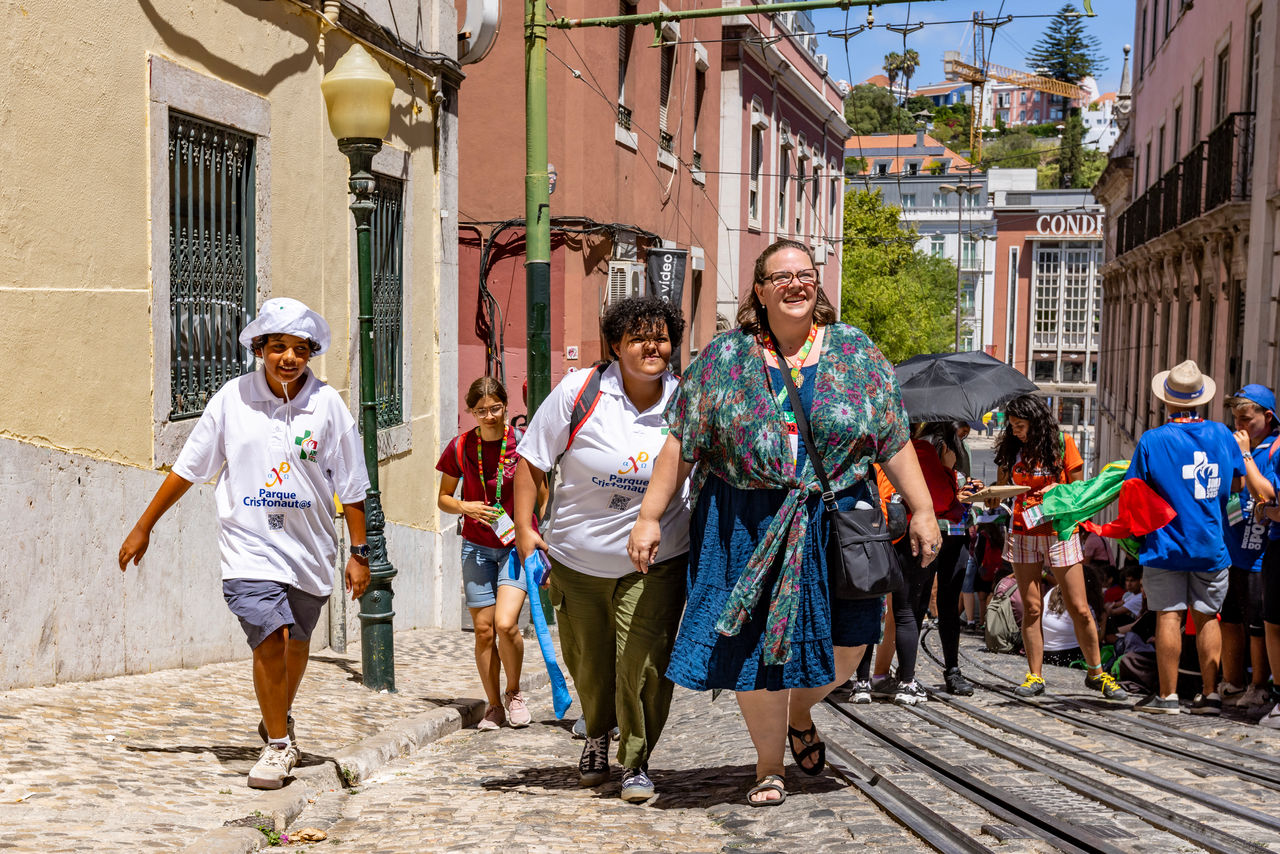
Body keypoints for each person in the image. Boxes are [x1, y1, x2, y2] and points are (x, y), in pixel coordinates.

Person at [627, 239, 941, 807]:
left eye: (806, 274)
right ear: (761, 290)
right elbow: (682, 441)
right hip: (748, 521)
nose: (796, 284)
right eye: (782, 276)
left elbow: (891, 437)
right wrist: (650, 516)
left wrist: (922, 508)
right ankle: (769, 765)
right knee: (753, 652)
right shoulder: (726, 356)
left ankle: (803, 709)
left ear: (816, 285)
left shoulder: (855, 352)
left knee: (852, 644)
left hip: (837, 517)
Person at [118, 298, 370, 790]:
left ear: (310, 353)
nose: (289, 358)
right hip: (248, 545)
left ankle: (277, 716)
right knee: (270, 637)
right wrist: (145, 523)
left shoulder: (329, 405)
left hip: (310, 549)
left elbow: (354, 484)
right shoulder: (232, 399)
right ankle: (278, 746)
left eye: (300, 349)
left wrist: (359, 553)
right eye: (278, 347)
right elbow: (190, 467)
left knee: (297, 645)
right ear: (260, 348)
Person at [513, 295, 690, 804]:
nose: (651, 346)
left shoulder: (684, 402)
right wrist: (525, 528)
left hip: (656, 560)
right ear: (616, 345)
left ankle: (636, 760)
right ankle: (596, 734)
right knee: (590, 660)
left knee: (643, 660)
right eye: (638, 337)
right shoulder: (581, 391)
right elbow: (531, 461)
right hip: (577, 559)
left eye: (660, 337)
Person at [1126, 361, 1245, 714]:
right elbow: (1237, 482)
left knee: (1169, 615)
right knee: (1209, 616)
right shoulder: (1223, 434)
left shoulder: (1153, 440)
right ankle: (1210, 695)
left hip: (1166, 545)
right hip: (1210, 542)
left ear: (1167, 401)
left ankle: (1168, 696)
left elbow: (1135, 491)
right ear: (1200, 400)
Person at [992, 394, 1127, 700]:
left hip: (1059, 532)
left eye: (1020, 425)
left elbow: (1080, 493)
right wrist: (985, 495)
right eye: (1012, 426)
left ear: (1036, 422)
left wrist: (1059, 490)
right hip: (1023, 532)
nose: (1015, 431)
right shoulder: (1012, 449)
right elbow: (999, 492)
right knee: (1033, 607)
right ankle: (1034, 676)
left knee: (1080, 607)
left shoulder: (1064, 444)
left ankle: (1096, 673)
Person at [437, 377, 534, 731]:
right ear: (471, 412)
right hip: (477, 546)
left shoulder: (522, 443)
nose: (489, 416)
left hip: (514, 546)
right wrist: (465, 506)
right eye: (481, 411)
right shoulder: (461, 446)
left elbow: (542, 490)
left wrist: (529, 530)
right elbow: (443, 497)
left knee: (506, 625)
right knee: (482, 630)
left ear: (505, 406)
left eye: (495, 408)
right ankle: (493, 705)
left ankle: (514, 692)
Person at [863, 422, 977, 702]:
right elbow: (939, 497)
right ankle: (905, 677)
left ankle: (871, 681)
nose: (965, 430)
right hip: (924, 531)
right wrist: (950, 472)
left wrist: (963, 483)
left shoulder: (947, 445)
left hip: (936, 532)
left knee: (903, 607)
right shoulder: (921, 447)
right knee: (909, 607)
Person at [1220, 386, 1277, 712]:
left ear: (1267, 417)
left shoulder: (1271, 450)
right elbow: (1233, 488)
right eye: (1236, 419)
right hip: (1232, 548)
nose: (1239, 426)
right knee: (1230, 619)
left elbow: (1264, 494)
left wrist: (1243, 455)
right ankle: (1234, 680)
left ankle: (1259, 685)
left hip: (1259, 551)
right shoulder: (1239, 445)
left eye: (1246, 419)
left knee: (1258, 624)